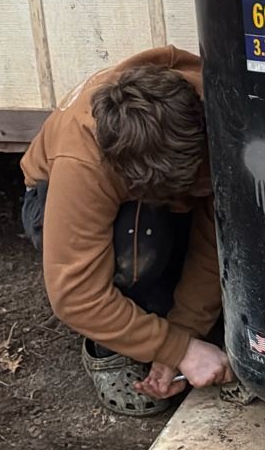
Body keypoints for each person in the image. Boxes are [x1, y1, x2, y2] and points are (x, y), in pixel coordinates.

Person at [20, 46, 231, 416]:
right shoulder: (84, 161)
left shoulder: (218, 106)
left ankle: (153, 321)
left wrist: (186, 333)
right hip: (59, 201)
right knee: (138, 242)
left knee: (225, 211)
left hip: (167, 180)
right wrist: (178, 349)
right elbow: (76, 296)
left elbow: (216, 237)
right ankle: (110, 348)